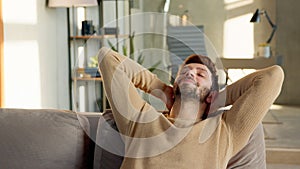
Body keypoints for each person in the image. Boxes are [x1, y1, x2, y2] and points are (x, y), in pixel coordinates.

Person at [97, 47, 284, 169]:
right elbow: (108, 58)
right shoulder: (140, 120)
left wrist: (218, 100)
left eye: (200, 74)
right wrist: (160, 89)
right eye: (184, 73)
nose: (190, 74)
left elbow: (273, 76)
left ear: (211, 93)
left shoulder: (224, 132)